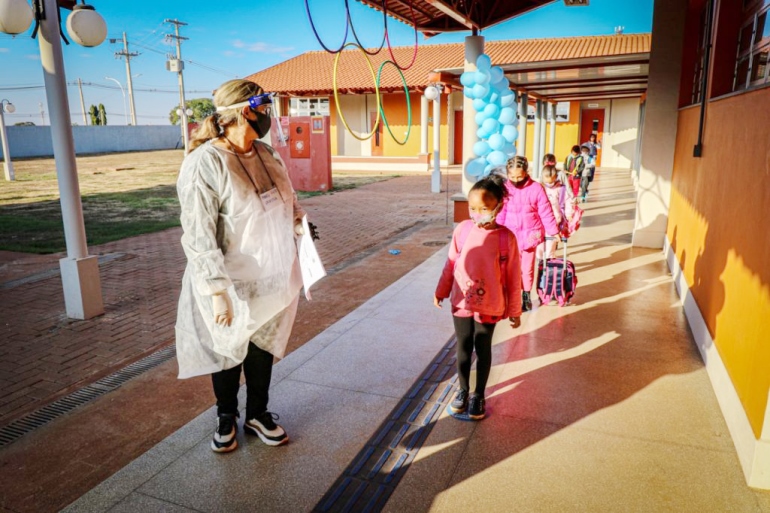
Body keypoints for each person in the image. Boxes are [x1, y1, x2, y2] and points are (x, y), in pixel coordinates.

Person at [175, 79, 306, 453]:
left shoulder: (267, 154)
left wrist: (298, 222)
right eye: (263, 107)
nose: (267, 115)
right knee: (228, 350)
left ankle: (258, 413)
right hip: (229, 280)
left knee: (262, 348)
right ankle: (225, 415)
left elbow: (287, 199)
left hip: (271, 276)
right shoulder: (206, 163)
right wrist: (217, 291)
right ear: (243, 112)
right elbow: (198, 233)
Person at [434, 175, 522, 421]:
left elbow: (514, 278)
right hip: (461, 302)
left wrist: (515, 310)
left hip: (490, 305)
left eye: (484, 209)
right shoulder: (462, 230)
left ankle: (478, 394)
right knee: (462, 348)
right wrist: (441, 290)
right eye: (473, 208)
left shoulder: (506, 238)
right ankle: (462, 391)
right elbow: (450, 264)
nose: (477, 214)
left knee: (483, 349)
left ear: (498, 207)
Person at [496, 156, 561, 312]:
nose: (516, 180)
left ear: (526, 172)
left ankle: (525, 295)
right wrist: (496, 230)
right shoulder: (505, 188)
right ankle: (511, 295)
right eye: (512, 177)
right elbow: (501, 212)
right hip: (510, 235)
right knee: (509, 268)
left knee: (527, 268)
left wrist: (554, 231)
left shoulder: (536, 188)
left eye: (519, 176)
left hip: (530, 236)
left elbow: (546, 212)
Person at [537, 164, 574, 260]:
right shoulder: (538, 187)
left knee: (551, 242)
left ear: (555, 177)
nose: (549, 183)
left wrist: (568, 214)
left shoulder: (561, 189)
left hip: (554, 220)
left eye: (552, 181)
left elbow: (567, 201)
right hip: (539, 220)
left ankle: (549, 259)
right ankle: (541, 259)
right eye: (546, 181)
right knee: (539, 244)